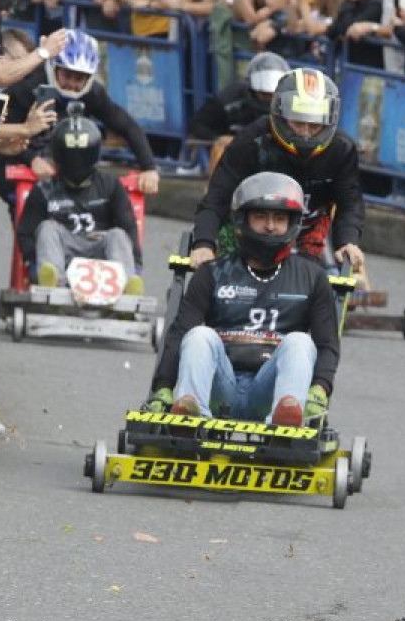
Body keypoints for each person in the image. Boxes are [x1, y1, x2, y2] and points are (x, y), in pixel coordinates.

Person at [145, 172, 340, 428]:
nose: (270, 226)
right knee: (198, 335)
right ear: (242, 220)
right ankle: (190, 413)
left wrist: (319, 390)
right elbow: (179, 333)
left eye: (279, 218)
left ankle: (287, 420)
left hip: (270, 391)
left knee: (301, 341)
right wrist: (163, 387)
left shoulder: (312, 277)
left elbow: (327, 345)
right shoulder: (212, 273)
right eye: (261, 217)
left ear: (292, 223)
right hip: (220, 385)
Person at [189, 68, 365, 270]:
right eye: (298, 123)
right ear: (280, 114)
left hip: (308, 234)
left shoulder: (342, 149)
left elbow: (350, 203)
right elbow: (216, 198)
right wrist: (203, 243)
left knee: (325, 288)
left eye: (315, 125)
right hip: (250, 231)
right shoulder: (250, 142)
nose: (306, 134)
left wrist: (348, 242)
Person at [1, 29, 160, 197]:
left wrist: (149, 168)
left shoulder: (92, 93)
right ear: (54, 67)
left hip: (52, 157)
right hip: (7, 152)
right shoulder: (29, 85)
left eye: (79, 78)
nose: (71, 83)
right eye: (67, 75)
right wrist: (31, 158)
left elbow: (128, 126)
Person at [14, 105, 143, 294]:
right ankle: (53, 283)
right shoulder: (44, 190)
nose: (76, 161)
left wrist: (137, 264)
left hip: (100, 252)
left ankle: (125, 283)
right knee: (47, 228)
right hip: (62, 253)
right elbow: (25, 232)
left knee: (117, 235)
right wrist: (32, 262)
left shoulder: (110, 185)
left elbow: (128, 227)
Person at [187, 51, 290, 140]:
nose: (269, 97)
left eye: (273, 94)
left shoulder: (291, 105)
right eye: (264, 94)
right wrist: (220, 140)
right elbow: (198, 125)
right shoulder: (230, 99)